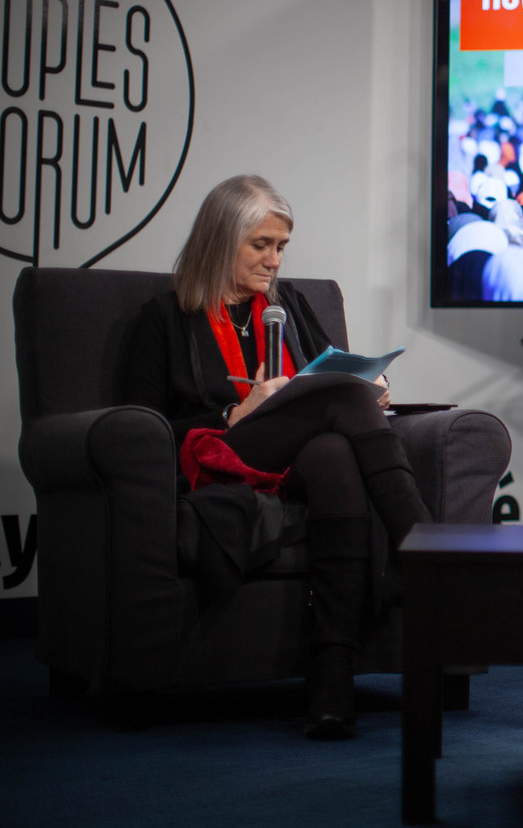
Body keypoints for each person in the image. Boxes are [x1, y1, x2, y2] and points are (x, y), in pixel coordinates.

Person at [125, 175, 431, 740]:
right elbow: (138, 428)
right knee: (342, 400)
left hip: (298, 457)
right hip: (219, 453)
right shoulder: (164, 318)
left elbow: (328, 374)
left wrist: (374, 383)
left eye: (281, 247)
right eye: (260, 245)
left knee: (335, 450)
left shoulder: (288, 305)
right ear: (221, 241)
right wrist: (230, 417)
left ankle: (332, 678)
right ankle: (423, 545)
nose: (274, 261)